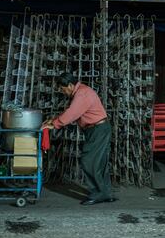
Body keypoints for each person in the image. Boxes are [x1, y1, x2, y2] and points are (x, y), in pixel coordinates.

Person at [41, 72, 116, 205]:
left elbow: (72, 113)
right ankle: (105, 193)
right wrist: (53, 120)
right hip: (97, 129)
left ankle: (98, 193)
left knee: (88, 160)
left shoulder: (82, 94)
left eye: (62, 89)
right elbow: (71, 110)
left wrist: (55, 124)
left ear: (70, 85)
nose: (62, 92)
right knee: (100, 163)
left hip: (97, 130)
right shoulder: (81, 92)